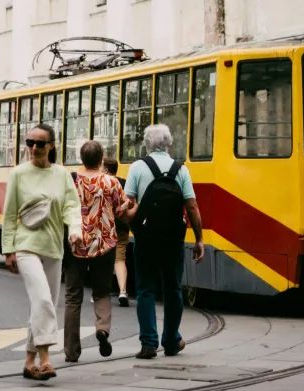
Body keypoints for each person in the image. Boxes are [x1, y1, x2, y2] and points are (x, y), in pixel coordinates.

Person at [0, 124, 82, 381]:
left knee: (42, 304)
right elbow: (10, 213)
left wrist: (75, 230)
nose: (34, 148)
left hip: (53, 247)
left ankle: (28, 361)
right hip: (26, 246)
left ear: (51, 146)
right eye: (30, 143)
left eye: (40, 143)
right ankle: (46, 359)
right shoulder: (19, 174)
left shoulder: (62, 174)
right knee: (43, 299)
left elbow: (72, 205)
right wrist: (8, 249)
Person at [119, 124, 204, 360]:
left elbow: (127, 206)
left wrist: (128, 220)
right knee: (173, 288)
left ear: (146, 144)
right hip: (172, 239)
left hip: (145, 238)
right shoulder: (181, 170)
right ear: (169, 144)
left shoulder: (137, 168)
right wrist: (199, 239)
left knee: (146, 289)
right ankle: (171, 341)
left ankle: (148, 343)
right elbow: (192, 207)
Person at [63, 141, 122, 363]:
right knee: (102, 292)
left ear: (81, 158)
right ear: (101, 159)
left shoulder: (71, 181)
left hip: (75, 243)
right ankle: (103, 330)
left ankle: (71, 350)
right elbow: (120, 208)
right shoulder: (111, 182)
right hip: (104, 244)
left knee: (73, 297)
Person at [104, 158, 131, 307]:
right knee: (120, 259)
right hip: (121, 225)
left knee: (103, 259)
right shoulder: (124, 182)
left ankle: (101, 292)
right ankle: (122, 291)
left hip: (105, 226)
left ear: (107, 170)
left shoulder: (102, 182)